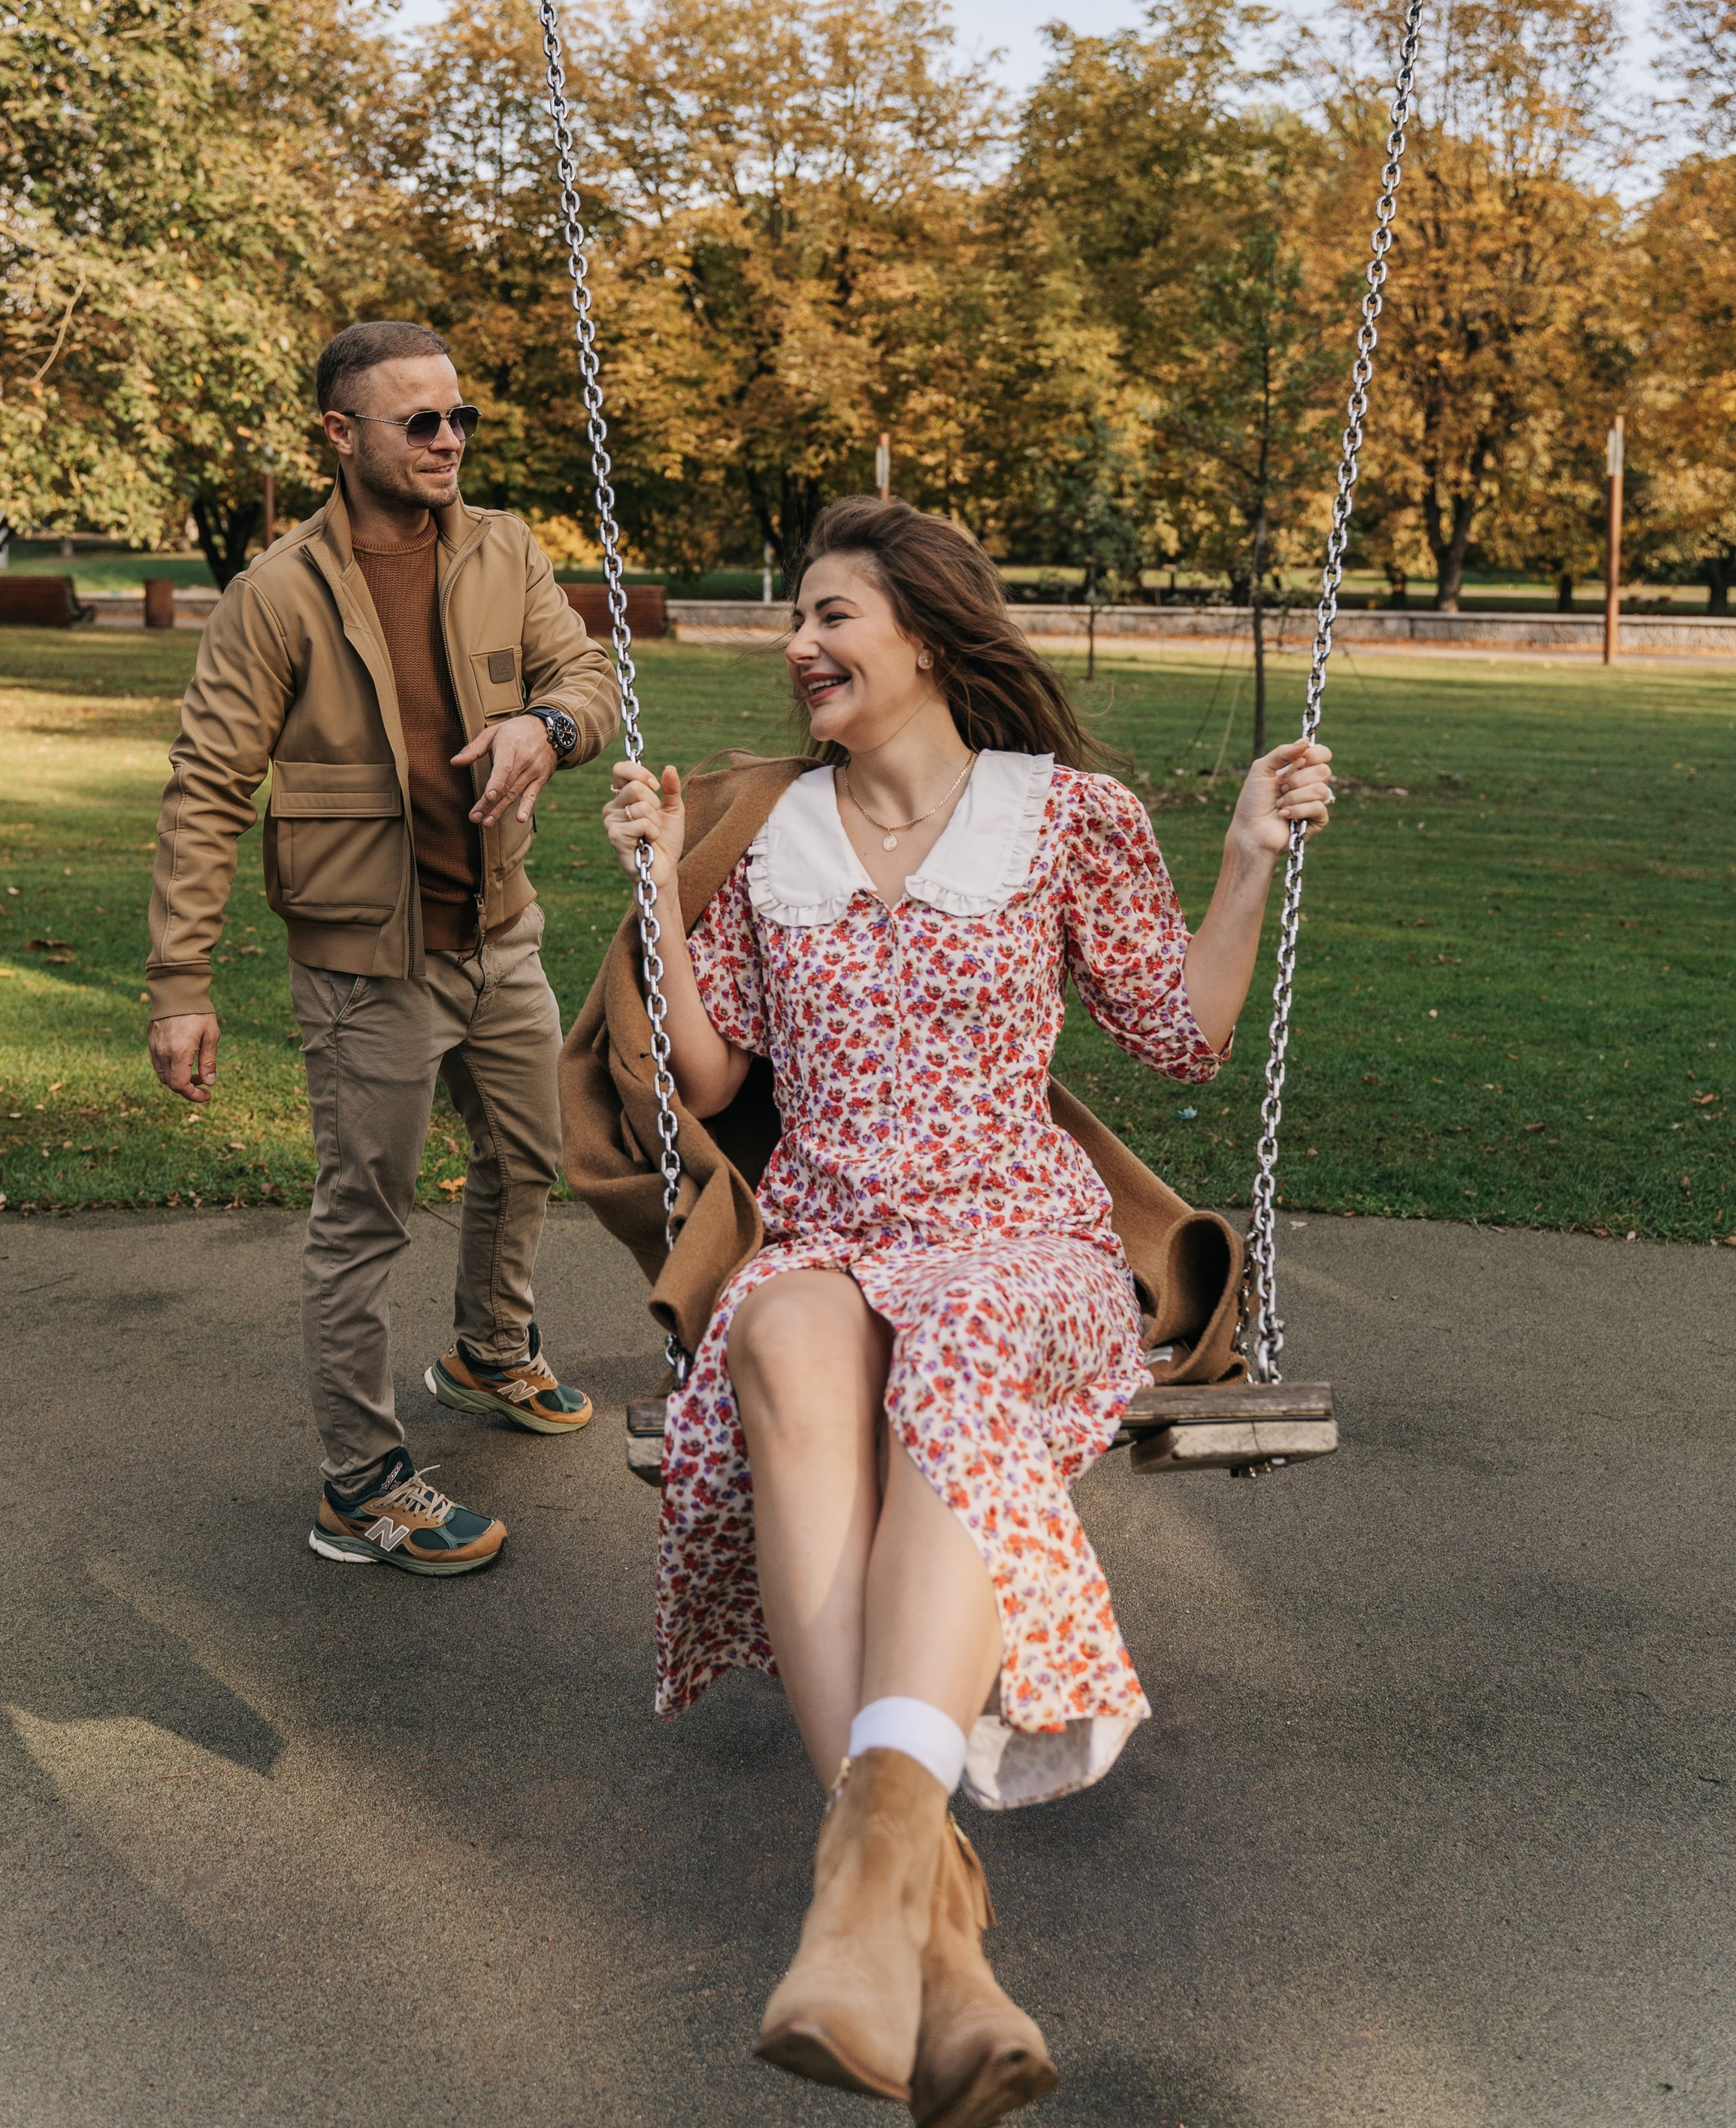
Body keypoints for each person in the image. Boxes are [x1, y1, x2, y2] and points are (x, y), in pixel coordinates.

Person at [603, 496, 1333, 2123]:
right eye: (794, 619)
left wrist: (1242, 860)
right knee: (782, 1336)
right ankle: (935, 1941)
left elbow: (1181, 1036)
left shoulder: (1062, 817)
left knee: (958, 1342)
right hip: (833, 1226)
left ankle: (872, 1893)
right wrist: (657, 883)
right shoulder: (771, 835)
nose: (797, 645)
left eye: (830, 615)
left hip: (1018, 1242)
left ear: (923, 634)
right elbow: (711, 1078)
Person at [147, 319, 617, 1577]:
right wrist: (179, 981)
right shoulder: (278, 595)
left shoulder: (502, 547)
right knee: (365, 1219)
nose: (448, 440)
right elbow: (206, 788)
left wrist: (548, 727)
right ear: (340, 435)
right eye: (420, 422)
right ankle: (362, 1483)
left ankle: (486, 1351)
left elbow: (586, 670)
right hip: (367, 961)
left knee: (532, 1154)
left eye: (458, 418)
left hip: (498, 934)